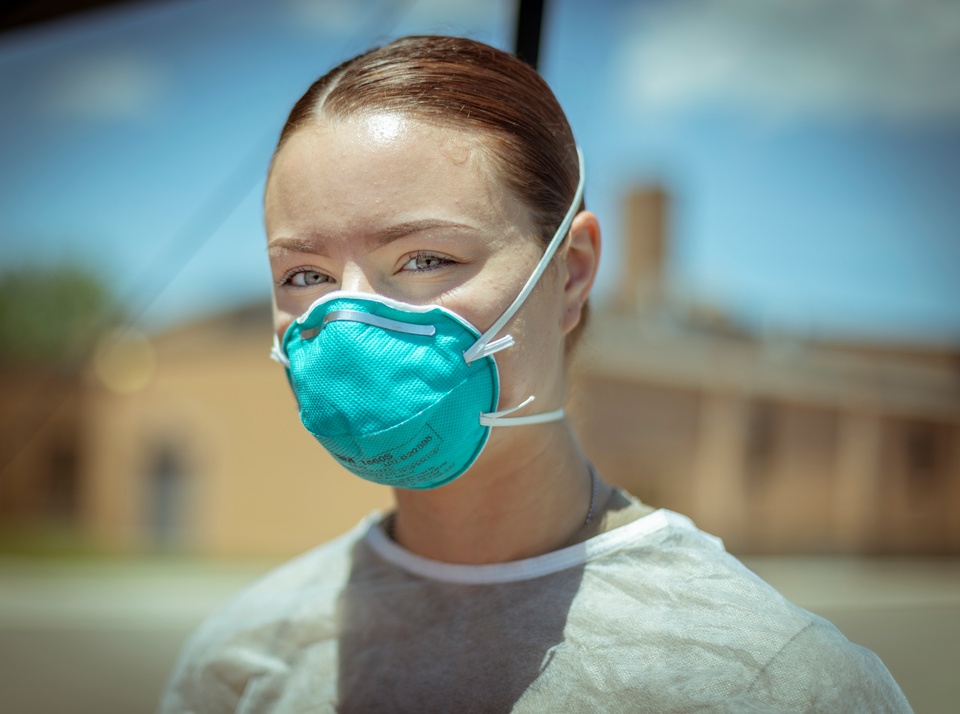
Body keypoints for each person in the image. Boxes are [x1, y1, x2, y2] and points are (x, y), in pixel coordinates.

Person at [159, 35, 911, 713]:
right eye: (304, 274)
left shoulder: (770, 679)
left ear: (572, 274)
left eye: (426, 260)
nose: (347, 323)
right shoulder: (243, 662)